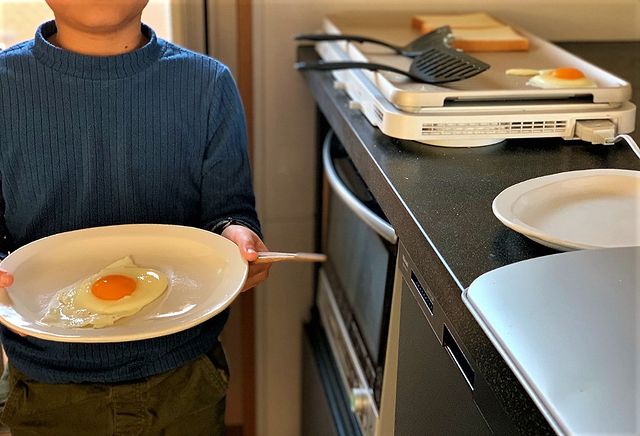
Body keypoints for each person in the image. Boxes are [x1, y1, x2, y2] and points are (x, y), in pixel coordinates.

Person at [0, 0, 270, 434]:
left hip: (184, 375)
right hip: (47, 384)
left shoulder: (207, 84)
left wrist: (239, 236)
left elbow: (229, 212)